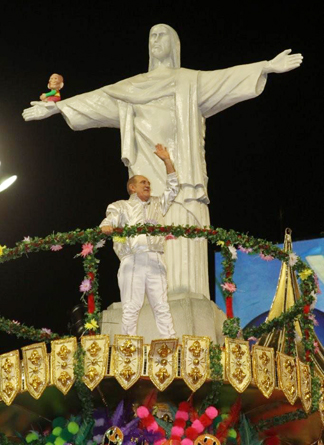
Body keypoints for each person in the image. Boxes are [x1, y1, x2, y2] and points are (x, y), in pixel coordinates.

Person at [22, 24, 303, 299]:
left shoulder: (189, 81)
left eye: (162, 35)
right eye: (151, 35)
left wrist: (265, 66)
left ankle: (184, 292)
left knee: (181, 223)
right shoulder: (131, 87)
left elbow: (226, 79)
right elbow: (96, 101)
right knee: (145, 224)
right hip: (145, 171)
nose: (155, 39)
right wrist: (56, 107)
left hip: (181, 170)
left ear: (173, 44)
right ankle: (148, 295)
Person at [100, 144, 179, 338]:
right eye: (143, 182)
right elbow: (109, 219)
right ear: (132, 187)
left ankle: (169, 344)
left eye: (149, 183)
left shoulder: (158, 204)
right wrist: (106, 226)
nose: (147, 185)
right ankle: (129, 350)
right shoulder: (121, 206)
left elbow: (174, 187)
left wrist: (167, 160)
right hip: (132, 258)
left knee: (161, 305)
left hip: (155, 258)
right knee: (131, 306)